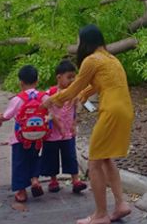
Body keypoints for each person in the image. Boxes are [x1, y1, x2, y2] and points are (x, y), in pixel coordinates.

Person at [43, 25, 134, 224]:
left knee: (94, 162)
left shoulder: (91, 60)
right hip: (125, 110)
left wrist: (52, 100)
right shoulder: (111, 58)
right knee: (106, 158)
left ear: (85, 41)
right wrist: (84, 95)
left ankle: (100, 215)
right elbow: (100, 83)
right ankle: (120, 205)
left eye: (78, 41)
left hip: (111, 111)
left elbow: (75, 86)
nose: (77, 45)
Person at [0, 65, 45, 203]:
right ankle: (35, 179)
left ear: (21, 82)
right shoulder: (43, 97)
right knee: (34, 158)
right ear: (37, 81)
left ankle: (21, 191)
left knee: (20, 163)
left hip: (20, 138)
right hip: (38, 137)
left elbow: (7, 116)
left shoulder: (17, 99)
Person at [39, 60, 88, 194]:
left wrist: (74, 124)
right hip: (52, 133)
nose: (72, 80)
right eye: (69, 77)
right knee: (51, 156)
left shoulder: (74, 94)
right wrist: (57, 124)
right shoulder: (50, 93)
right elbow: (46, 110)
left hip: (67, 132)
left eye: (74, 77)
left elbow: (74, 111)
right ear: (59, 77)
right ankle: (53, 180)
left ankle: (76, 180)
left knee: (70, 156)